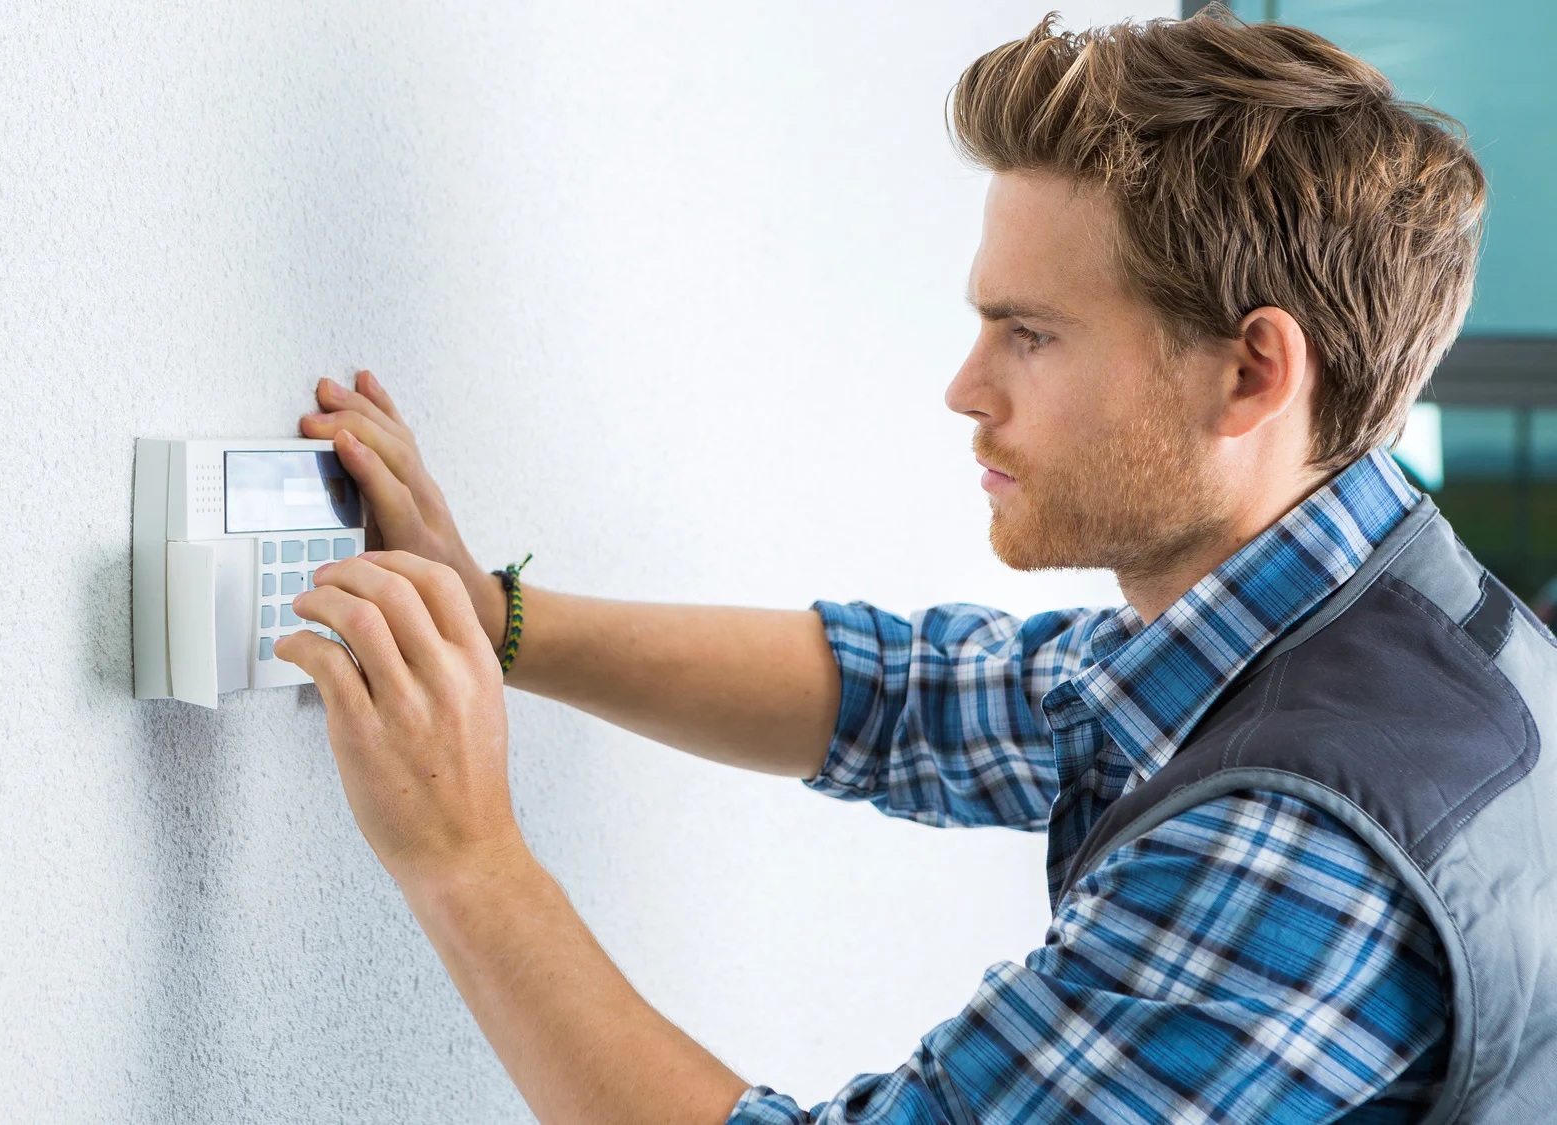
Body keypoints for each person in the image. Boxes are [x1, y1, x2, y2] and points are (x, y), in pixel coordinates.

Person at [277, 9, 1557, 1125]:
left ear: (1250, 373)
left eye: (1029, 334)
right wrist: (492, 620)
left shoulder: (1284, 855)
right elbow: (913, 695)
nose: (964, 388)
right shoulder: (1388, 625)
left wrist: (464, 858)